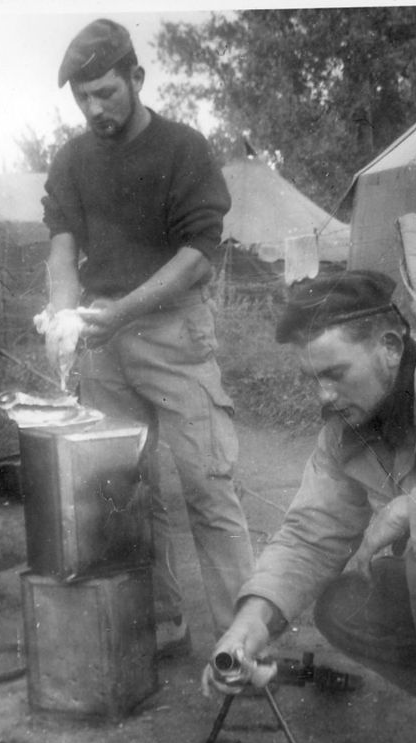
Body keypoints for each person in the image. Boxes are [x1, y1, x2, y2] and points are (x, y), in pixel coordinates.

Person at [203, 269, 416, 743]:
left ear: (390, 346)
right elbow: (310, 532)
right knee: (346, 606)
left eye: (335, 373)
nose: (323, 396)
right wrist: (248, 627)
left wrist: (411, 511)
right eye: (311, 379)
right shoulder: (348, 424)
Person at [39, 18, 254, 655]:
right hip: (103, 341)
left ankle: (243, 644)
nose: (94, 107)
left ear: (136, 77)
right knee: (122, 491)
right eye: (83, 98)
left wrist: (124, 310)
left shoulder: (183, 149)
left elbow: (198, 257)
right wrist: (63, 320)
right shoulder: (72, 160)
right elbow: (61, 248)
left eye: (106, 91)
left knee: (208, 488)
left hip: (173, 335)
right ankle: (160, 626)